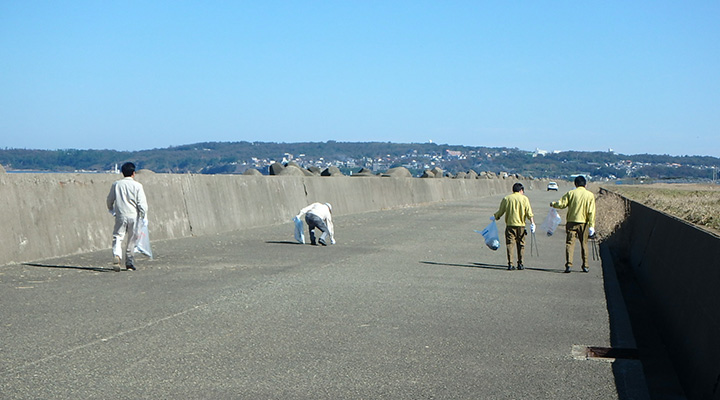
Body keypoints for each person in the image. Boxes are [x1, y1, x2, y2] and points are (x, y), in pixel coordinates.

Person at [106, 162, 148, 271]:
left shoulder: (116, 185)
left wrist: (111, 209)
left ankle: (117, 255)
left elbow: (110, 199)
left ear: (122, 173)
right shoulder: (138, 186)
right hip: (134, 215)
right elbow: (142, 204)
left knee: (118, 237)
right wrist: (144, 216)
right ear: (133, 173)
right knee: (132, 239)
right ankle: (129, 262)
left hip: (121, 214)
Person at [550, 175, 596, 273]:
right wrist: (592, 225)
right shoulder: (590, 195)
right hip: (584, 223)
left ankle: (569, 265)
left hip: (571, 222)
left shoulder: (571, 193)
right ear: (585, 185)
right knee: (584, 244)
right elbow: (591, 212)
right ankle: (585, 265)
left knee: (570, 244)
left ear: (575, 184)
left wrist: (553, 204)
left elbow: (561, 204)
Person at [492, 183, 535, 270]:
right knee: (521, 245)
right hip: (521, 226)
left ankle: (510, 264)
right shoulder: (525, 199)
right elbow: (529, 213)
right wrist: (532, 223)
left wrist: (495, 217)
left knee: (510, 245)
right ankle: (520, 263)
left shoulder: (507, 198)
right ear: (521, 190)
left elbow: (501, 211)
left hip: (510, 225)